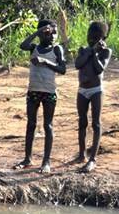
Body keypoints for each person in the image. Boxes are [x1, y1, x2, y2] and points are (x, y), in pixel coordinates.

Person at [14, 19, 67, 173]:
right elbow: (22, 45)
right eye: (49, 32)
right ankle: (27, 158)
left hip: (49, 91)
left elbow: (62, 69)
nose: (53, 35)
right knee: (31, 124)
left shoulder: (56, 49)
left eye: (55, 32)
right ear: (42, 33)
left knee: (47, 125)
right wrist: (37, 32)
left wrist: (45, 62)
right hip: (34, 90)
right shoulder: (34, 48)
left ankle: (46, 161)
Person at [74, 21, 111, 173]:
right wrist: (90, 51)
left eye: (96, 38)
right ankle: (82, 154)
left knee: (96, 123)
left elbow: (99, 69)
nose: (92, 39)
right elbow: (78, 64)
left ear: (103, 38)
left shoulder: (105, 51)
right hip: (82, 90)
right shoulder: (83, 49)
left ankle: (92, 159)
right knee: (82, 121)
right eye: (90, 36)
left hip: (96, 90)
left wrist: (95, 53)